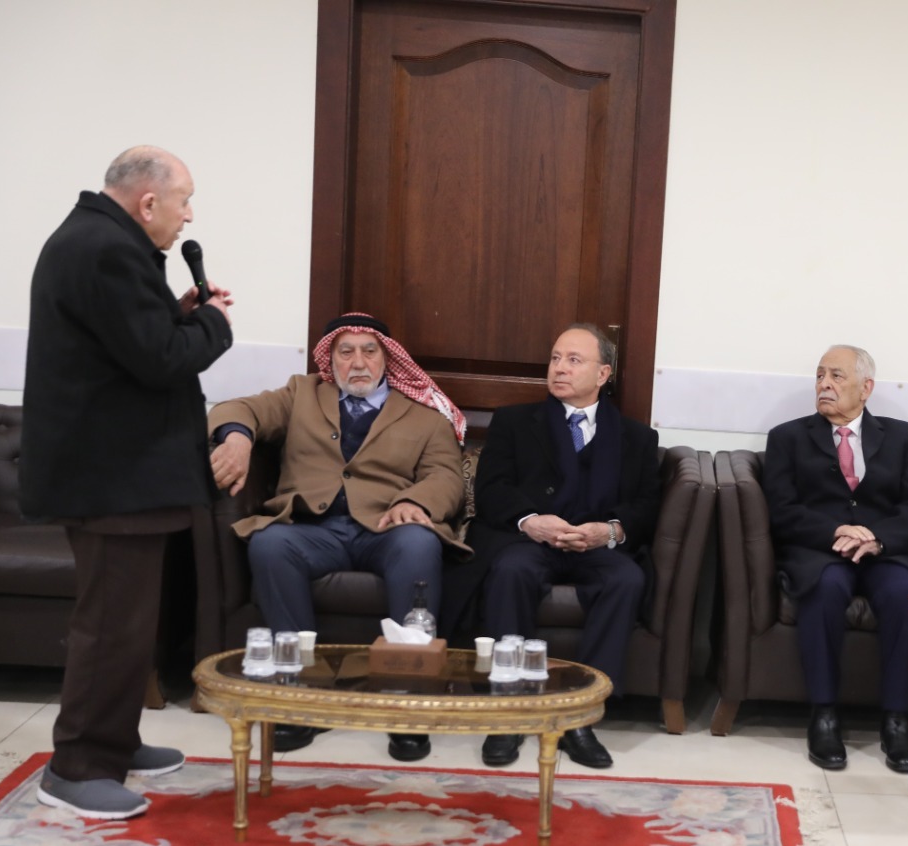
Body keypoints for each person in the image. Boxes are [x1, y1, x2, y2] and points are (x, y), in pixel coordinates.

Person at [21, 145, 234, 819]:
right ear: (148, 203)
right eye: (183, 201)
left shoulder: (97, 240)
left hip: (119, 476)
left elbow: (127, 342)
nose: (187, 215)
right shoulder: (107, 250)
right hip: (111, 478)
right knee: (111, 626)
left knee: (129, 624)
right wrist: (212, 325)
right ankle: (79, 766)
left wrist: (178, 313)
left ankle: (114, 741)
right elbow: (160, 360)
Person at [208, 313, 467, 762]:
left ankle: (406, 702)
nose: (358, 362)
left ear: (387, 358)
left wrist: (417, 503)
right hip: (314, 530)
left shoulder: (425, 416)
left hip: (386, 529)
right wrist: (238, 438)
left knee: (419, 543)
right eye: (346, 352)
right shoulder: (301, 394)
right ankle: (301, 696)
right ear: (331, 360)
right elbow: (237, 408)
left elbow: (446, 476)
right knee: (270, 543)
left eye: (369, 351)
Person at [442, 324, 659, 769]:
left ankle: (581, 716)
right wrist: (532, 521)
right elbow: (492, 489)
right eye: (556, 358)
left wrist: (608, 531)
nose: (559, 368)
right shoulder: (514, 422)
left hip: (594, 545)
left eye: (573, 360)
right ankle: (509, 711)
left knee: (627, 579)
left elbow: (645, 505)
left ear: (603, 374)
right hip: (529, 539)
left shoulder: (637, 437)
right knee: (511, 571)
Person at [763, 345, 908, 772]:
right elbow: (782, 509)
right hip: (820, 552)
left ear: (866, 388)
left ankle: (897, 719)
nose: (824, 384)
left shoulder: (903, 437)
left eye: (837, 376)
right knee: (824, 588)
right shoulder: (787, 437)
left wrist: (878, 539)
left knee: (903, 592)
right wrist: (835, 531)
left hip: (885, 553)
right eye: (820, 375)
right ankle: (824, 715)